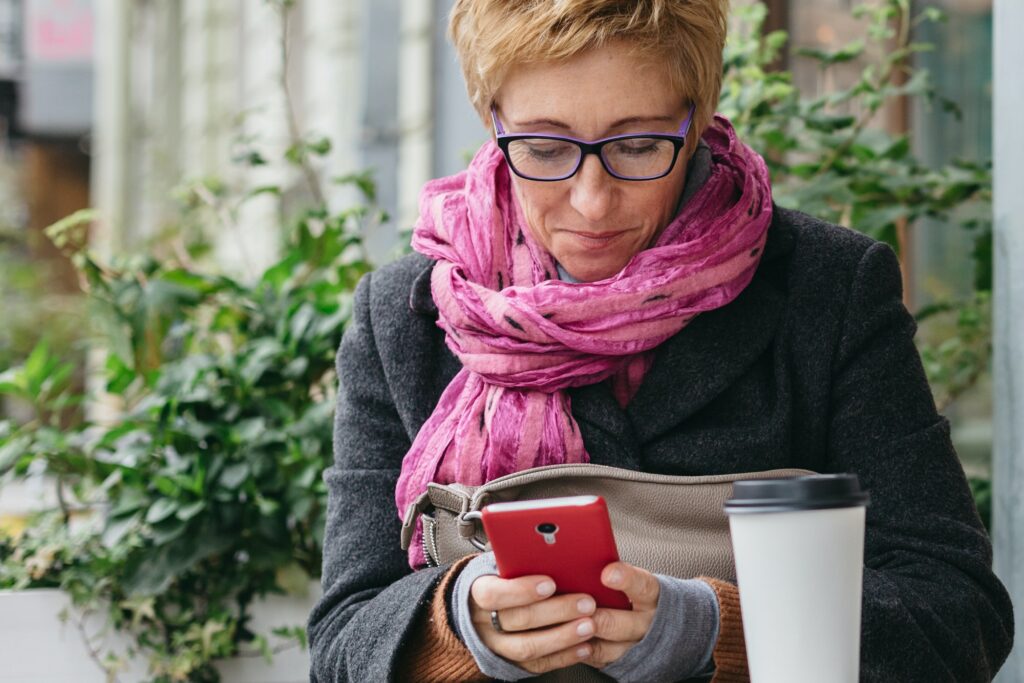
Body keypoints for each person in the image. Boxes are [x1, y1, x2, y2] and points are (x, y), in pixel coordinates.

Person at [307, 1, 1014, 681]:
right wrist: (459, 623)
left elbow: (958, 614)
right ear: (491, 121)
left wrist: (711, 628)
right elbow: (342, 639)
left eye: (639, 143)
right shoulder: (404, 317)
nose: (591, 200)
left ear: (697, 117)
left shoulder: (827, 292)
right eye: (545, 147)